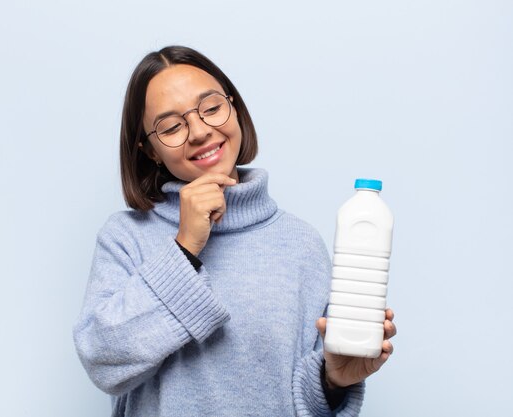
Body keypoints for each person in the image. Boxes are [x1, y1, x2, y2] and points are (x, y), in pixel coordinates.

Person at [73, 45, 397, 416]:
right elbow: (101, 359)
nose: (199, 131)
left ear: (235, 108)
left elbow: (300, 400)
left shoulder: (301, 244)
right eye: (172, 126)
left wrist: (333, 381)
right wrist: (184, 248)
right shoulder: (126, 237)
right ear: (149, 151)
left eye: (211, 108)